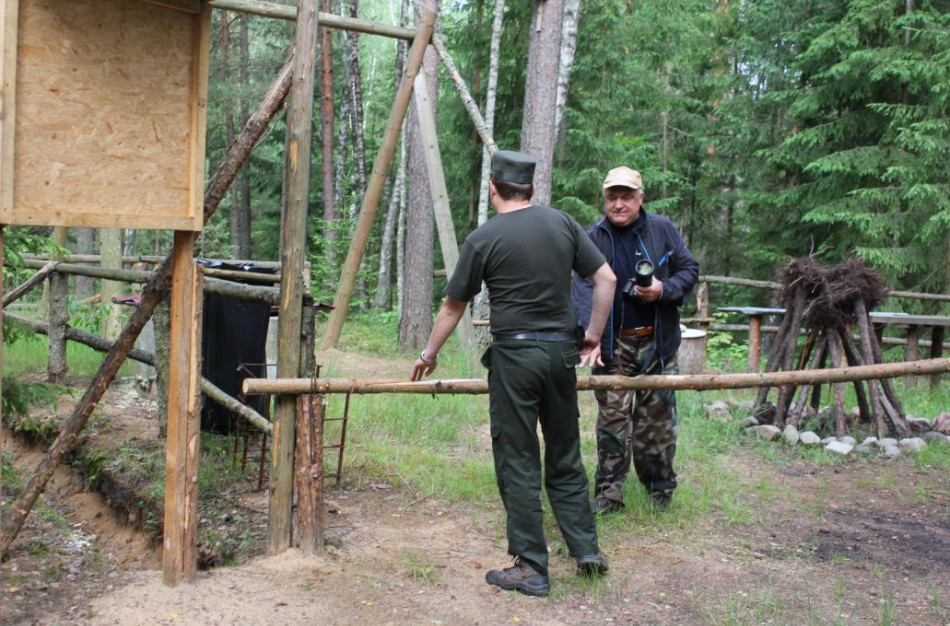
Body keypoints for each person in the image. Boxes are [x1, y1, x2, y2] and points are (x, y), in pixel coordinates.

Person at [410, 150, 617, 597]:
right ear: (532, 189)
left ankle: (532, 568)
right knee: (564, 453)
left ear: (493, 189)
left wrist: (429, 353)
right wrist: (593, 336)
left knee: (518, 459)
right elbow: (607, 279)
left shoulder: (483, 238)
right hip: (562, 355)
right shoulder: (562, 223)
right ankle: (585, 549)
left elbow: (453, 306)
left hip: (516, 359)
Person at [572, 166, 699, 514]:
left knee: (656, 422)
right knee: (613, 421)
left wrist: (663, 289)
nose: (619, 204)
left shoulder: (663, 230)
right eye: (612, 197)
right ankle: (609, 492)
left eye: (626, 197)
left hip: (659, 344)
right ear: (604, 199)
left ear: (640, 198)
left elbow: (689, 269)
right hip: (612, 346)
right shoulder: (592, 238)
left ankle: (660, 490)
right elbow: (582, 288)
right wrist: (590, 334)